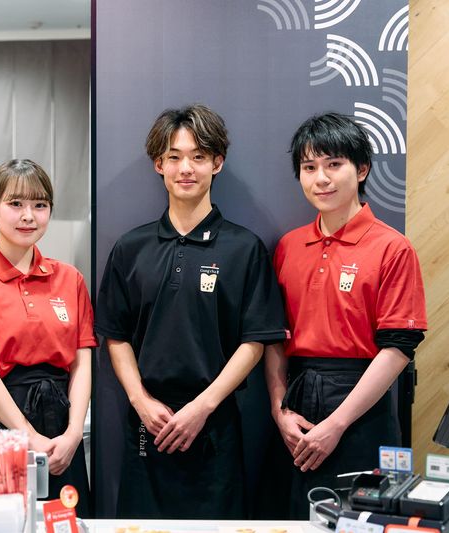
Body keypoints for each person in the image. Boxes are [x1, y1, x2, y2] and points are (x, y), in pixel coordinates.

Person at [95, 104, 287, 519]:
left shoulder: (245, 249)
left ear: (217, 163)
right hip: (147, 424)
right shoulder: (130, 248)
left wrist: (203, 407)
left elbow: (255, 341)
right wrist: (141, 401)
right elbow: (116, 335)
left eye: (198, 156)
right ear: (158, 164)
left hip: (215, 424)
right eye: (174, 157)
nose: (186, 168)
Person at [264, 112, 427, 518]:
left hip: (362, 408)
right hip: (297, 405)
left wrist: (336, 424)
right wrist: (279, 411)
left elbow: (398, 349)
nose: (321, 178)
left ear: (362, 169)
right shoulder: (288, 246)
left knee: (360, 519)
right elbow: (274, 339)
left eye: (334, 164)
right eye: (309, 167)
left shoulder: (393, 248)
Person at [0, 159, 95, 516]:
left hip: (60, 427)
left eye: (40, 205)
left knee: (65, 520)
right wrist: (28, 436)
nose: (28, 216)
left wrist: (74, 433)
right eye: (15, 204)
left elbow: (82, 362)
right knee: (1, 520)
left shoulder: (69, 278)